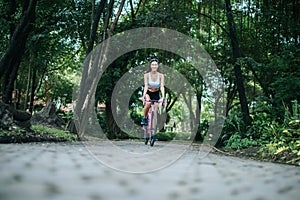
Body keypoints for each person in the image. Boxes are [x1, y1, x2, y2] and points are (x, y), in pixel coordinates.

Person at [141, 58, 165, 125]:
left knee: (155, 111)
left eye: (155, 65)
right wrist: (143, 96)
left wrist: (163, 97)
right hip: (148, 92)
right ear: (150, 66)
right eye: (153, 65)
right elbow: (146, 86)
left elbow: (162, 86)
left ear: (157, 66)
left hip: (156, 93)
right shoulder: (146, 75)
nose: (154, 66)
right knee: (148, 103)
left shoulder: (161, 75)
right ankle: (145, 118)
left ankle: (153, 130)